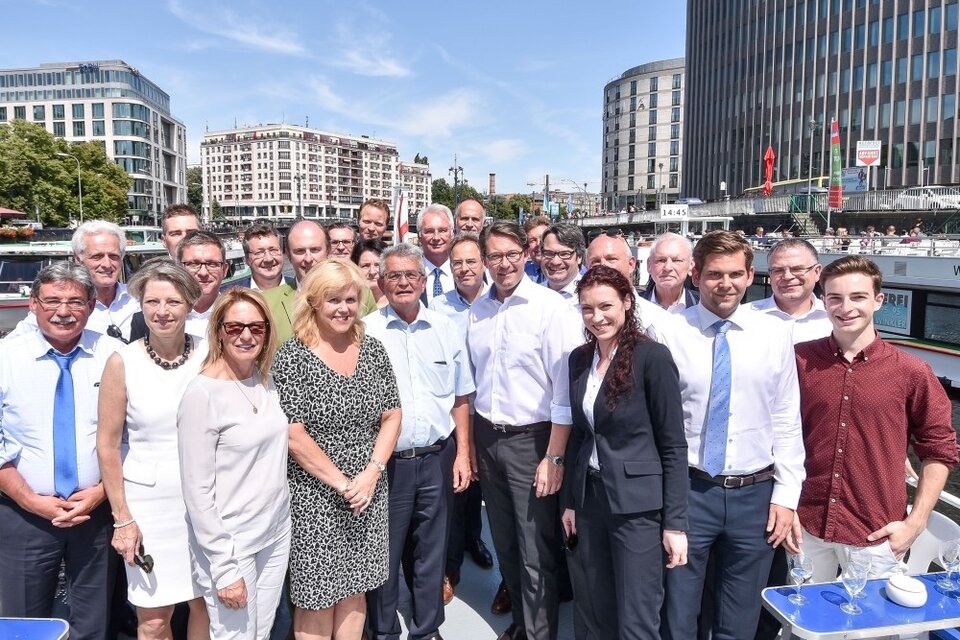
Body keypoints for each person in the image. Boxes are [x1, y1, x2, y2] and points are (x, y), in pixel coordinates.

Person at [658, 230, 805, 640]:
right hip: (689, 491)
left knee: (739, 616)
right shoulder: (670, 333)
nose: (726, 284)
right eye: (714, 275)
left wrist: (786, 495)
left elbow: (786, 417)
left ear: (750, 275)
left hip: (754, 496)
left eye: (736, 274)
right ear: (695, 276)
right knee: (679, 610)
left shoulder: (774, 334)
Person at [792, 256, 958, 581]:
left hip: (875, 530)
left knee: (867, 628)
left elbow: (940, 450)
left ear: (878, 301)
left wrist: (915, 523)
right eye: (835, 298)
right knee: (809, 625)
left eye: (858, 297)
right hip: (806, 523)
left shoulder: (912, 371)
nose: (846, 307)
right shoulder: (800, 359)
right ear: (823, 300)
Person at [271, 259, 401, 640]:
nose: (344, 308)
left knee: (355, 592)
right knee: (316, 599)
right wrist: (344, 483)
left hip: (368, 491)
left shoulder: (372, 350)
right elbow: (293, 434)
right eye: (333, 300)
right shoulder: (292, 356)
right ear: (313, 302)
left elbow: (392, 415)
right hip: (315, 497)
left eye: (350, 299)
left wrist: (372, 473)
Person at [468, 221, 583, 640]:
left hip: (533, 441)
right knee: (505, 541)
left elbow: (564, 394)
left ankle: (539, 633)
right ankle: (521, 621)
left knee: (536, 549)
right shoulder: (478, 311)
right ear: (484, 260)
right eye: (494, 256)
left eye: (512, 254)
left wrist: (553, 457)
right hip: (488, 436)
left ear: (526, 255)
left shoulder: (550, 310)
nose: (504, 264)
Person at [562, 265, 688, 640]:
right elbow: (581, 437)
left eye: (606, 306)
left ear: (627, 303)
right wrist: (571, 500)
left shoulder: (653, 357)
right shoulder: (579, 359)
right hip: (591, 500)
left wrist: (675, 524)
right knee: (596, 605)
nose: (597, 317)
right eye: (587, 309)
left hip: (637, 508)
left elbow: (673, 445)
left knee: (637, 613)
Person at [0, 262, 123, 640]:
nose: (64, 311)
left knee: (96, 622)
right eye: (52, 301)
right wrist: (29, 499)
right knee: (24, 623)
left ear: (90, 305)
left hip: (96, 514)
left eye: (75, 301)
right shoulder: (6, 358)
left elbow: (133, 434)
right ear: (33, 305)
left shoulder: (114, 354)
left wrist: (101, 492)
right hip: (23, 514)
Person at [365, 243, 475, 640]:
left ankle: (426, 630)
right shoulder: (366, 332)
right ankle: (384, 632)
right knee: (384, 555)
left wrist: (463, 453)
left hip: (436, 457)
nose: (403, 283)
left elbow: (461, 397)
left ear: (424, 280)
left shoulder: (447, 330)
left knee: (431, 552)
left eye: (411, 275)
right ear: (380, 282)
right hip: (386, 463)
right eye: (394, 275)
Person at [97, 258, 210, 639]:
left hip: (209, 503)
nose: (162, 312)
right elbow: (108, 446)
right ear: (141, 305)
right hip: (150, 509)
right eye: (152, 302)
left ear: (191, 304)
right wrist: (123, 518)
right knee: (154, 619)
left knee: (208, 608)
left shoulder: (213, 355)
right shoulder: (121, 362)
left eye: (173, 302)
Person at [179, 289, 292, 639]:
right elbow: (196, 492)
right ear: (219, 331)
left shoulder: (265, 380)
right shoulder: (202, 394)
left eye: (257, 328)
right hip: (231, 543)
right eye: (235, 327)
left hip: (274, 533)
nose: (246, 336)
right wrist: (224, 567)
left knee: (260, 631)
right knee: (235, 635)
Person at [429, 235, 495, 604]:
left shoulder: (497, 302)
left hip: (489, 413)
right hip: (453, 411)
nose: (465, 269)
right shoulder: (438, 307)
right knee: (454, 490)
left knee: (481, 491)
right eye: (457, 263)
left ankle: (476, 542)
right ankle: (450, 564)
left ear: (483, 263)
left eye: (471, 262)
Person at [5, 220, 141, 342]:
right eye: (97, 256)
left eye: (113, 256)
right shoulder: (58, 307)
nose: (106, 264)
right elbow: (10, 347)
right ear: (77, 259)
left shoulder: (138, 299)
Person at [130, 231, 228, 343]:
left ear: (224, 270)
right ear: (179, 268)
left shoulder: (240, 315)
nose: (203, 272)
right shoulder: (146, 320)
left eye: (212, 264)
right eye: (193, 264)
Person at [585, 233, 674, 339]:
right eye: (595, 261)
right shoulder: (574, 319)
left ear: (631, 264)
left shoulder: (659, 321)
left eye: (611, 259)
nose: (603, 265)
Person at [750, 239, 832, 344]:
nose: (787, 276)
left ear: (817, 272)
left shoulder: (837, 319)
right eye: (778, 270)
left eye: (797, 269)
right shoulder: (744, 318)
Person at [261, 220, 329, 343]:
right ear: (289, 256)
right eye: (300, 251)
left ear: (328, 251)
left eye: (315, 250)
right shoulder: (266, 304)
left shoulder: (359, 295)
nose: (308, 259)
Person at [641, 232, 699, 312]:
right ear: (649, 265)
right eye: (661, 260)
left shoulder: (705, 308)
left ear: (691, 265)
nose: (668, 267)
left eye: (676, 260)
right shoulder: (631, 307)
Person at [419, 204, 456, 305]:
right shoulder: (411, 273)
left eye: (442, 230)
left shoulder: (463, 271)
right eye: (429, 231)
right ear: (419, 236)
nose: (436, 237)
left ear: (452, 234)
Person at [540, 224, 586, 303]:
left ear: (579, 257)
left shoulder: (592, 295)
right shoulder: (531, 296)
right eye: (549, 253)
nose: (555, 262)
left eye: (564, 254)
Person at [237, 222, 289, 291]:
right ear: (247, 259)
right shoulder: (233, 296)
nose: (268, 259)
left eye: (273, 250)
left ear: (282, 253)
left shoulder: (301, 290)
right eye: (259, 253)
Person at [351, 239, 388, 309]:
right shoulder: (349, 304)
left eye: (378, 265)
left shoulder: (398, 304)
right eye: (365, 266)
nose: (372, 272)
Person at [523, 215, 551, 283]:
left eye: (542, 238)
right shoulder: (523, 274)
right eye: (532, 240)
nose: (538, 244)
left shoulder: (565, 273)